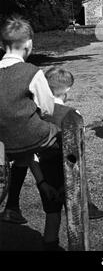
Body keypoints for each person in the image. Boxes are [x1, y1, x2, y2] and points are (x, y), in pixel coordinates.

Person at [0, 15, 61, 248]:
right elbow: (47, 108)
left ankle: (14, 202)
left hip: (2, 145)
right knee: (55, 135)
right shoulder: (32, 71)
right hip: (30, 137)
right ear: (29, 45)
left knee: (23, 152)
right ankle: (53, 198)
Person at [44, 66, 103, 221]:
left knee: (52, 213)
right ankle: (86, 209)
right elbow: (80, 137)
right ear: (68, 89)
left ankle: (50, 241)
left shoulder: (39, 112)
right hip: (69, 162)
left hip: (45, 164)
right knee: (75, 197)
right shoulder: (72, 114)